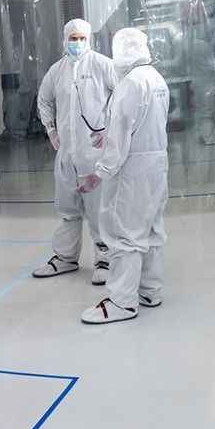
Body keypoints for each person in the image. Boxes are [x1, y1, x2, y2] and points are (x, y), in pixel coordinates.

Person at [77, 27, 170, 324]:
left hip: (132, 170)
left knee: (123, 233)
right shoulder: (156, 79)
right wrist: (111, 132)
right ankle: (149, 290)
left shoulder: (130, 83)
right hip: (157, 165)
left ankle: (122, 301)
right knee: (151, 229)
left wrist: (99, 174)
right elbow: (141, 124)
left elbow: (120, 140)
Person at [31, 19, 118, 284]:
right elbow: (43, 99)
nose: (77, 43)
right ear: (65, 39)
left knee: (99, 208)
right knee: (67, 207)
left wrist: (110, 128)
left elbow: (122, 94)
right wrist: (51, 130)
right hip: (66, 154)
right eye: (73, 38)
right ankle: (65, 258)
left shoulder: (103, 65)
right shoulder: (57, 70)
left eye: (82, 38)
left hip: (95, 152)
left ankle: (105, 259)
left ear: (89, 39)